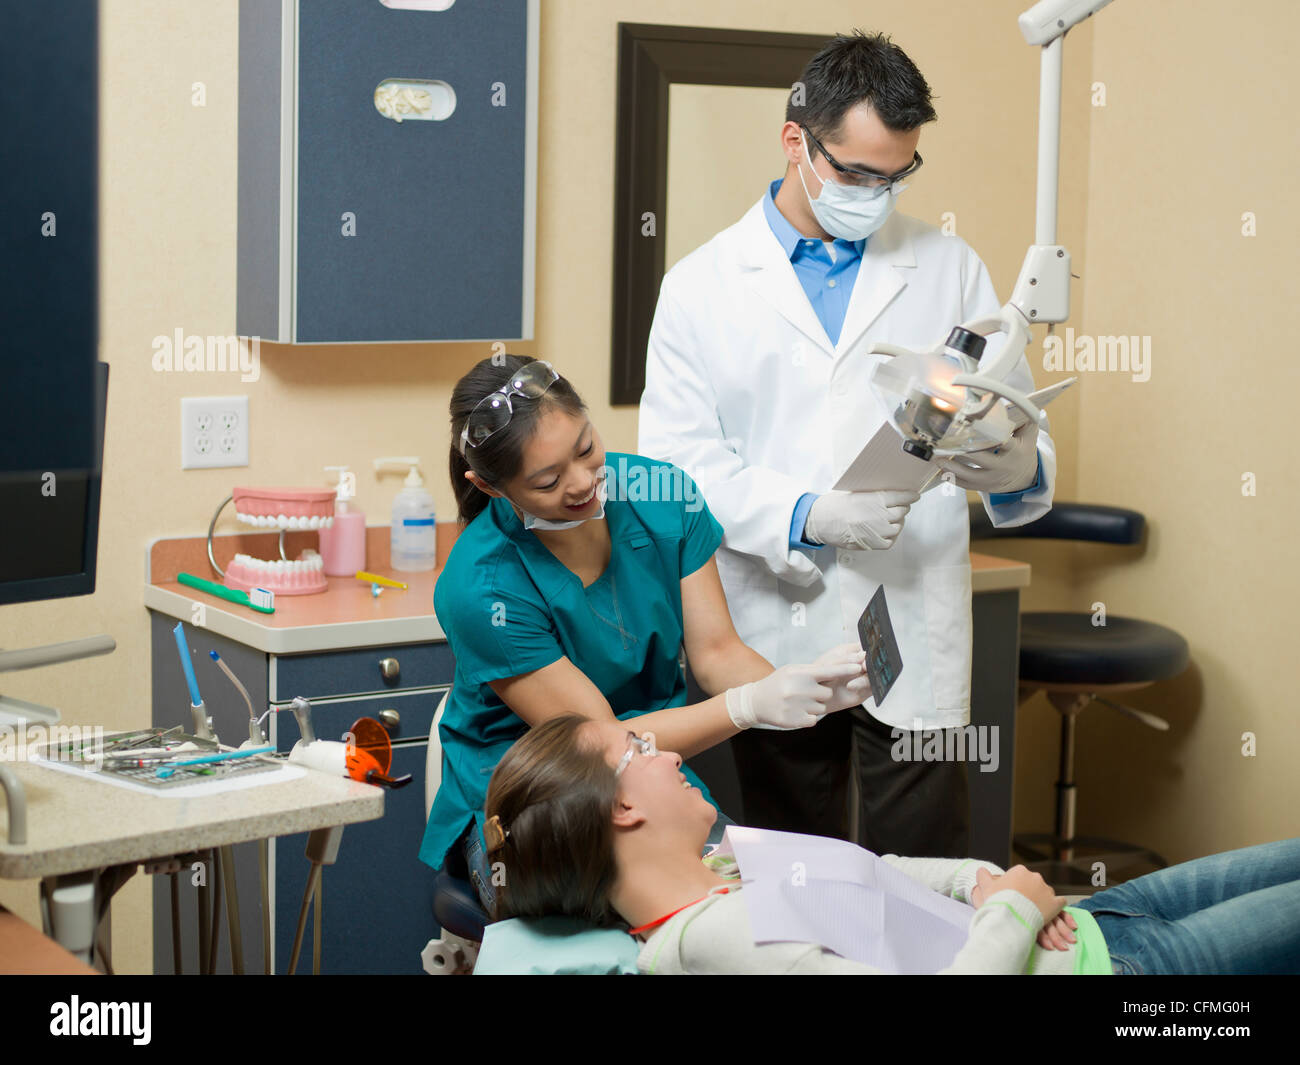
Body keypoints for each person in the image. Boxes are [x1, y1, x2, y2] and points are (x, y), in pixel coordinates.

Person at [637, 30, 1057, 857]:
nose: (877, 193)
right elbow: (677, 468)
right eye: (857, 172)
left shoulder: (948, 265)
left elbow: (1005, 412)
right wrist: (806, 513)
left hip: (910, 608)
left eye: (896, 175)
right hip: (774, 618)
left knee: (931, 859)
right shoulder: (700, 287)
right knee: (792, 868)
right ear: (796, 140)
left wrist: (1008, 460)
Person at [418, 354, 873, 912]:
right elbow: (605, 747)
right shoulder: (480, 588)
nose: (584, 482)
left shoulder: (663, 496)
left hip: (652, 779)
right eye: (548, 480)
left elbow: (717, 653)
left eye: (586, 448)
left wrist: (809, 691)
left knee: (764, 908)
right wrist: (751, 705)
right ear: (489, 487)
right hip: (533, 808)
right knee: (672, 920)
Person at [482, 715, 1300, 975]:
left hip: (1098, 917)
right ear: (623, 807)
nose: (668, 753)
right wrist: (1015, 908)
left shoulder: (722, 869)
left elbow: (885, 871)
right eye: (640, 748)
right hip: (1121, 970)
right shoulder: (716, 939)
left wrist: (984, 882)